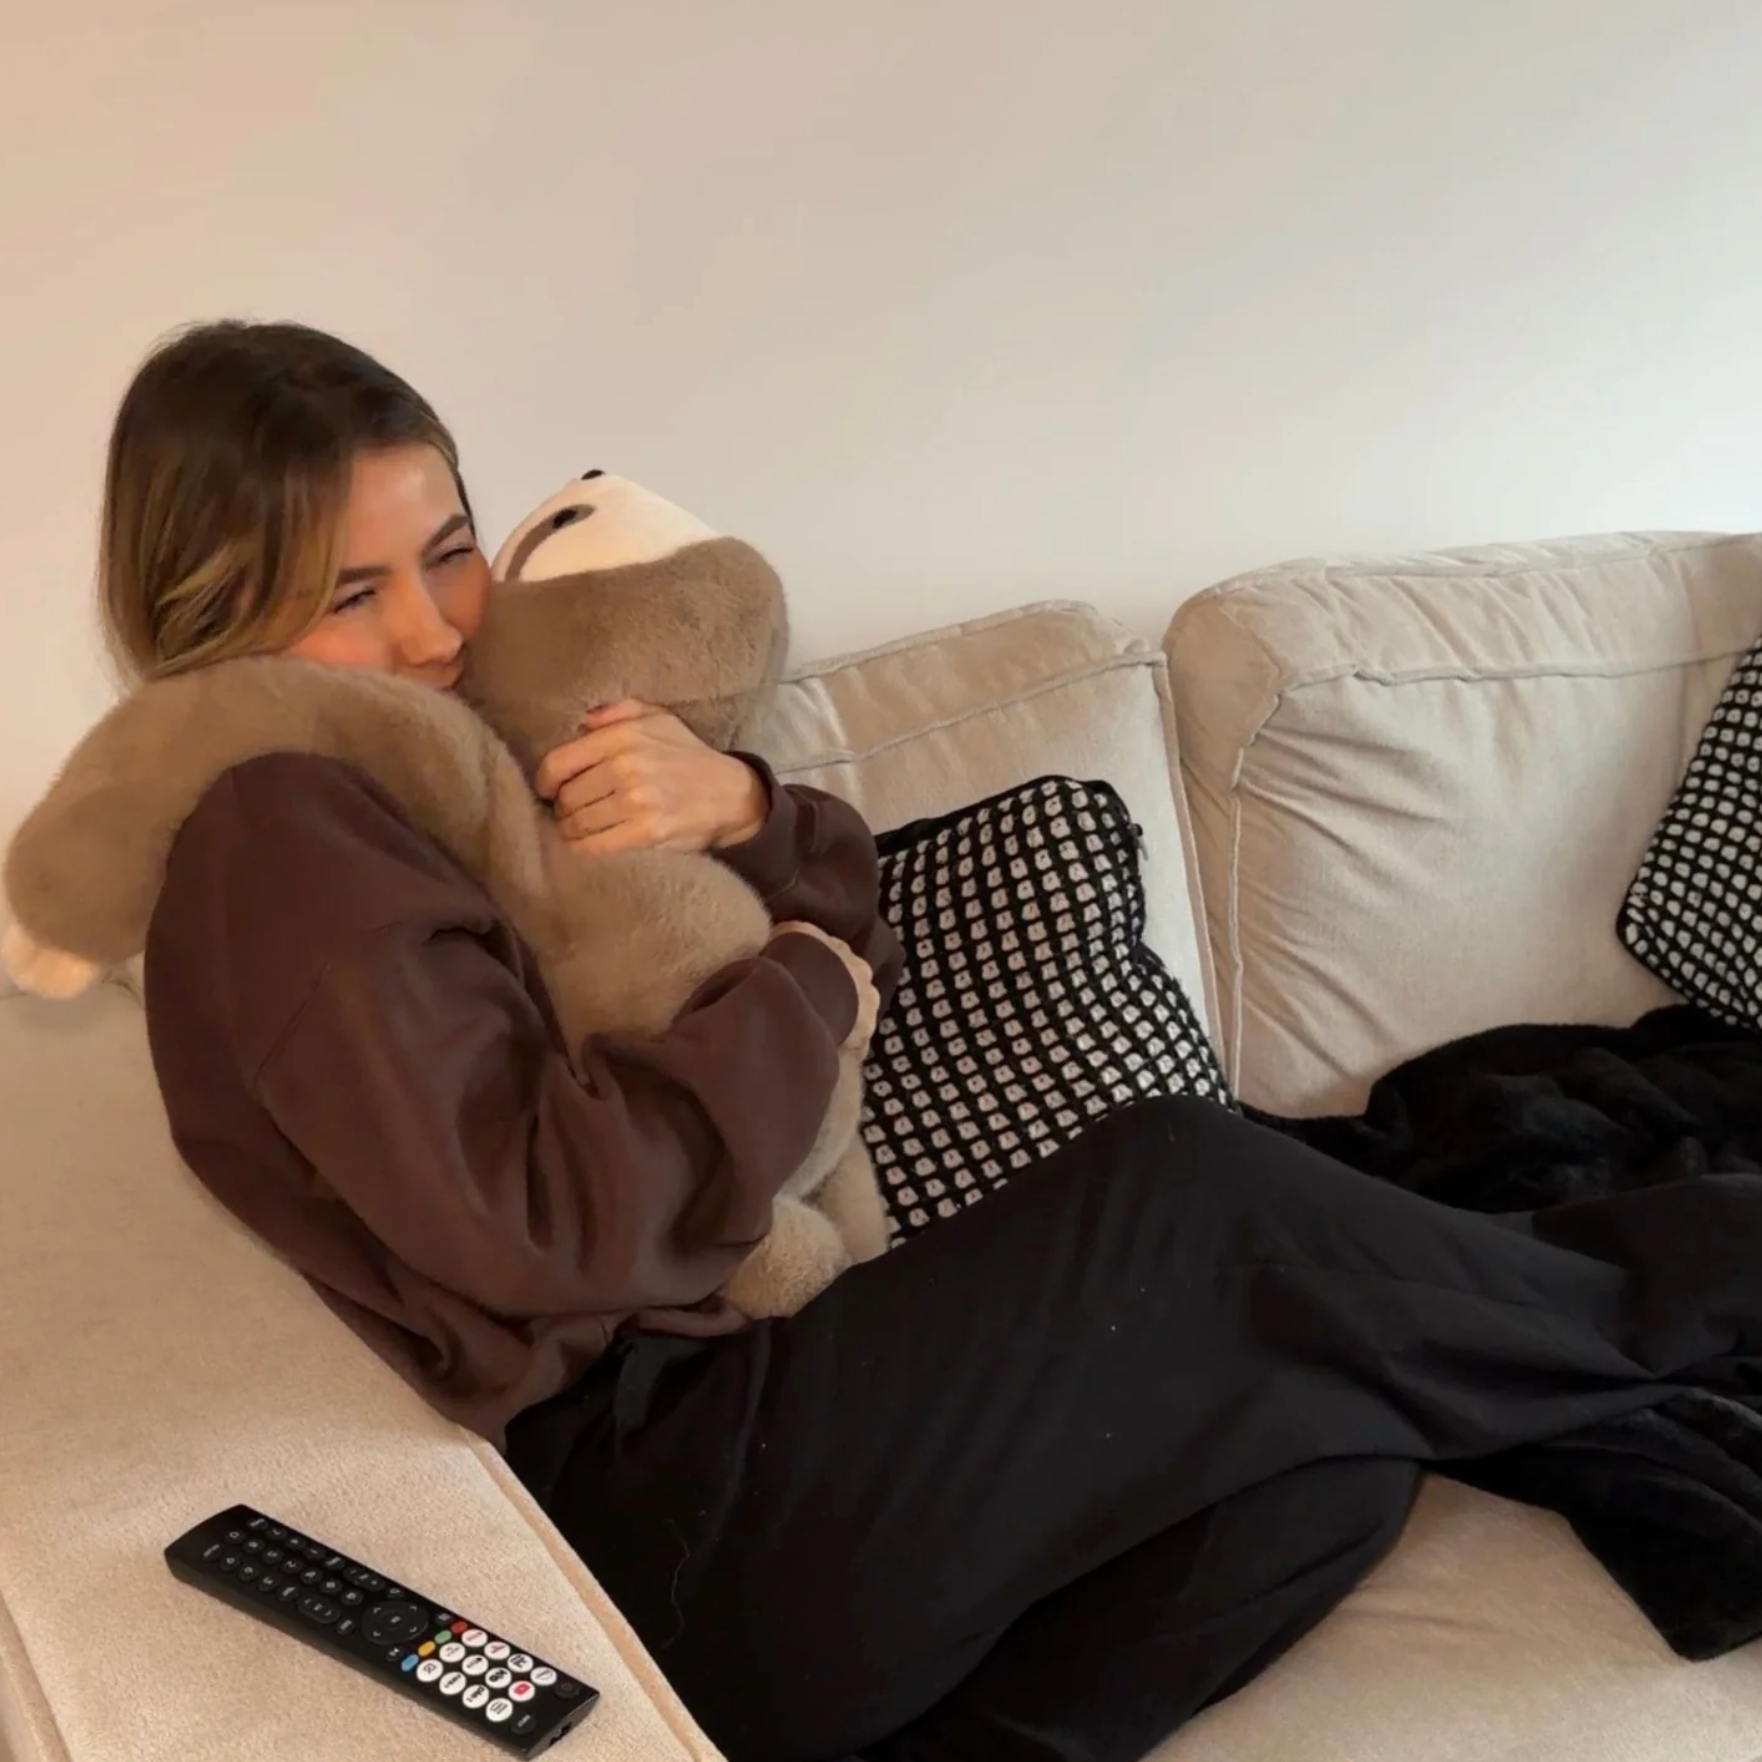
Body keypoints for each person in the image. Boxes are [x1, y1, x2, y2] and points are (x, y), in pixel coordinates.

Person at [105, 320, 1762, 1762]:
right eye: (351, 593)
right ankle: (1698, 1281)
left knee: (1328, 1461)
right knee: (1184, 1182)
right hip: (658, 1496)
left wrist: (740, 807)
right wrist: (803, 981)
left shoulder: (457, 771)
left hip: (759, 1494)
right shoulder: (278, 830)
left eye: (450, 549)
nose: (435, 629)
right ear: (205, 615)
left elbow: (815, 900)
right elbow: (556, 1223)